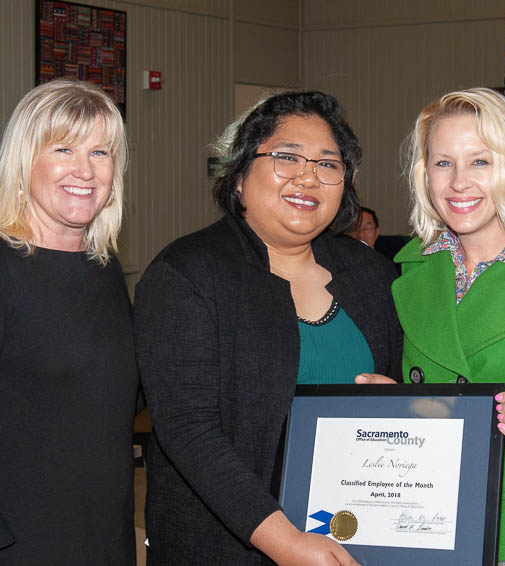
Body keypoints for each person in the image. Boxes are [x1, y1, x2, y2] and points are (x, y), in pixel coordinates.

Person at [134, 91, 402, 565]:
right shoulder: (188, 273)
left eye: (327, 163)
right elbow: (189, 430)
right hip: (226, 546)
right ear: (238, 176)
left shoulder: (372, 275)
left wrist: (399, 404)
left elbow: (404, 386)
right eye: (286, 157)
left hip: (355, 535)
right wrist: (285, 542)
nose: (308, 176)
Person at [392, 87, 505, 564]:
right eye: (443, 163)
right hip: (425, 522)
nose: (458, 183)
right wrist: (388, 403)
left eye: (480, 162)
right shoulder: (409, 271)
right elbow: (436, 404)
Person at [0, 79, 140, 565]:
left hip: (103, 536)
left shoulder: (102, 270)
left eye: (100, 152)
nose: (85, 170)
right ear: (24, 161)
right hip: (24, 543)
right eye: (63, 148)